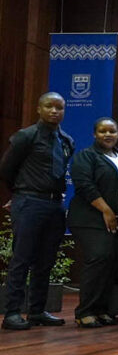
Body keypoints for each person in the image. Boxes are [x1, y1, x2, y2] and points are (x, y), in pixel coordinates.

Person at [0, 93, 74, 330]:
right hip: (30, 201)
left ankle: (37, 311)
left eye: (59, 108)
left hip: (55, 204)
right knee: (22, 258)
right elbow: (6, 169)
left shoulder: (66, 140)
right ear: (39, 109)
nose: (54, 111)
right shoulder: (26, 136)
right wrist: (20, 192)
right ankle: (12, 313)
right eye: (49, 106)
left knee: (46, 260)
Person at [66, 117, 118, 328]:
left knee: (112, 262)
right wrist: (106, 210)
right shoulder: (86, 156)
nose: (108, 135)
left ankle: (101, 309)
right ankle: (84, 311)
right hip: (90, 218)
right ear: (94, 134)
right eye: (103, 131)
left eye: (112, 131)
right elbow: (85, 186)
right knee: (99, 258)